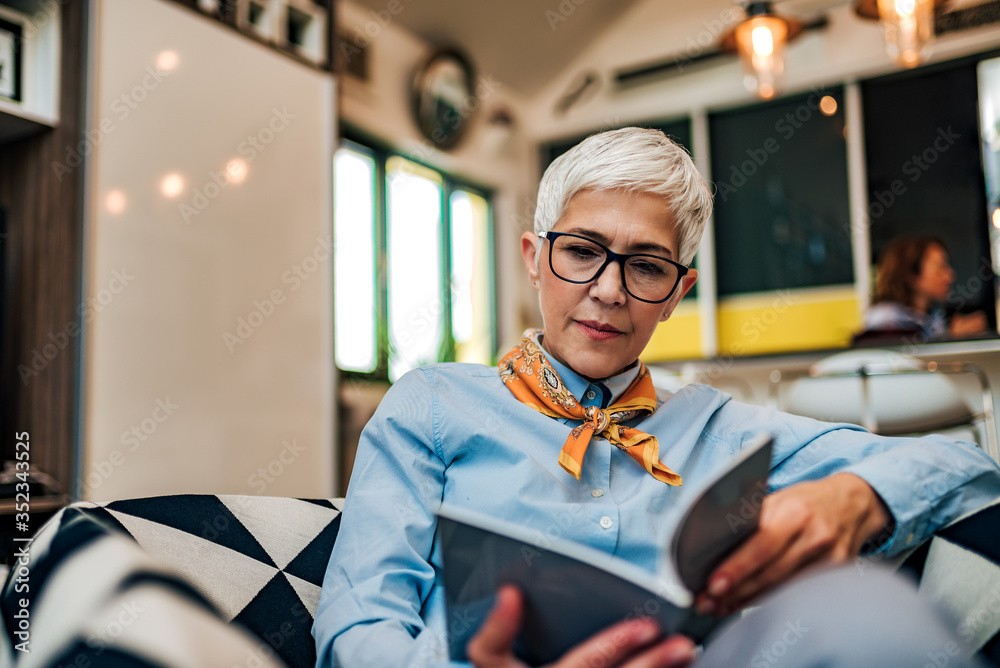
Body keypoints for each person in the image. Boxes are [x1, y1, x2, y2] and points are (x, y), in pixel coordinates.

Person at [313, 128, 1000, 667]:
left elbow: (965, 469)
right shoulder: (432, 404)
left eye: (645, 266)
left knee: (868, 604)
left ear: (677, 292)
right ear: (533, 257)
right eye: (582, 251)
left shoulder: (722, 425)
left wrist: (853, 497)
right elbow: (358, 625)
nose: (609, 290)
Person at [861, 235, 988, 341]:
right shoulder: (884, 324)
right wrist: (950, 338)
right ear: (912, 276)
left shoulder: (932, 318)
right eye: (941, 268)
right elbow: (905, 363)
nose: (950, 276)